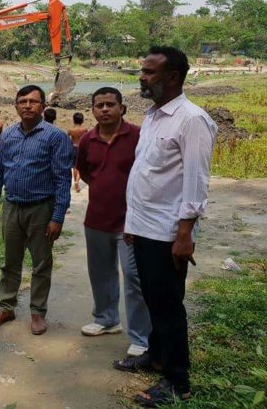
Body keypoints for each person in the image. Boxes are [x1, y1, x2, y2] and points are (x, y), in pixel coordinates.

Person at [113, 46, 217, 407]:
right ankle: (155, 357)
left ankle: (177, 380)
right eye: (142, 70)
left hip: (167, 233)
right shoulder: (156, 116)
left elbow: (195, 180)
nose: (141, 76)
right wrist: (131, 222)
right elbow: (145, 173)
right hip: (143, 227)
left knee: (168, 306)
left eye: (149, 71)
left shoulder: (192, 120)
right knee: (153, 300)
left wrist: (185, 234)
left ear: (172, 77)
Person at [0, 85, 73, 335]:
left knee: (41, 263)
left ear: (43, 106)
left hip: (41, 208)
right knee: (11, 261)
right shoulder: (8, 134)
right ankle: (6, 307)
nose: (28, 105)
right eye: (22, 101)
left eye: (34, 101)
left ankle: (37, 312)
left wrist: (57, 217)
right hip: (12, 206)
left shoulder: (56, 137)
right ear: (16, 106)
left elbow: (63, 179)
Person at [75, 87, 151, 358]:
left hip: (131, 223)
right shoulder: (88, 140)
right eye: (99, 105)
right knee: (100, 273)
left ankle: (141, 337)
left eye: (110, 104)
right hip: (96, 218)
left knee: (134, 277)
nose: (104, 109)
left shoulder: (139, 136)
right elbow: (84, 171)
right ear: (93, 110)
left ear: (122, 108)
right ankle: (107, 319)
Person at [68, 112, 87, 192]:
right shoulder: (84, 129)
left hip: (73, 148)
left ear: (74, 120)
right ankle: (77, 181)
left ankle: (75, 181)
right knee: (81, 166)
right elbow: (87, 138)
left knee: (75, 167)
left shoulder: (71, 130)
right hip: (81, 148)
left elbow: (66, 139)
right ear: (82, 120)